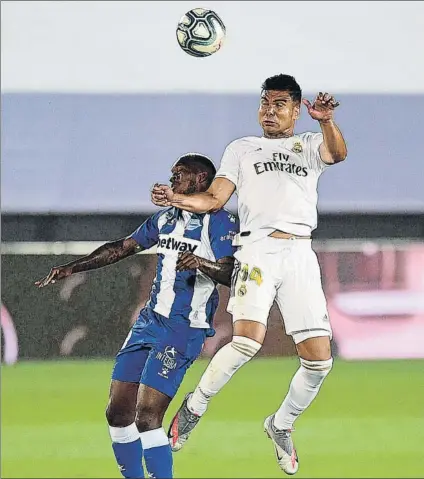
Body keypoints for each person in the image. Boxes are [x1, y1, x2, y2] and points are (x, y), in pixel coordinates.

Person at [151, 74, 348, 475]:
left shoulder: (309, 143)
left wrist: (326, 121)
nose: (269, 111)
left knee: (319, 363)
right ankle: (194, 406)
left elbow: (338, 154)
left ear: (296, 109)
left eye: (278, 104)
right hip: (257, 249)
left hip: (299, 253)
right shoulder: (241, 149)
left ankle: (281, 425)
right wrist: (177, 198)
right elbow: (214, 198)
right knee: (246, 342)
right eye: (264, 104)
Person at [35, 153, 239, 479]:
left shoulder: (220, 222)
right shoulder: (164, 219)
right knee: (117, 413)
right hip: (149, 322)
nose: (172, 180)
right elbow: (122, 247)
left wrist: (201, 264)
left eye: (179, 175)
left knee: (147, 417)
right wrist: (72, 267)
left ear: (200, 180)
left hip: (183, 329)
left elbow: (231, 273)